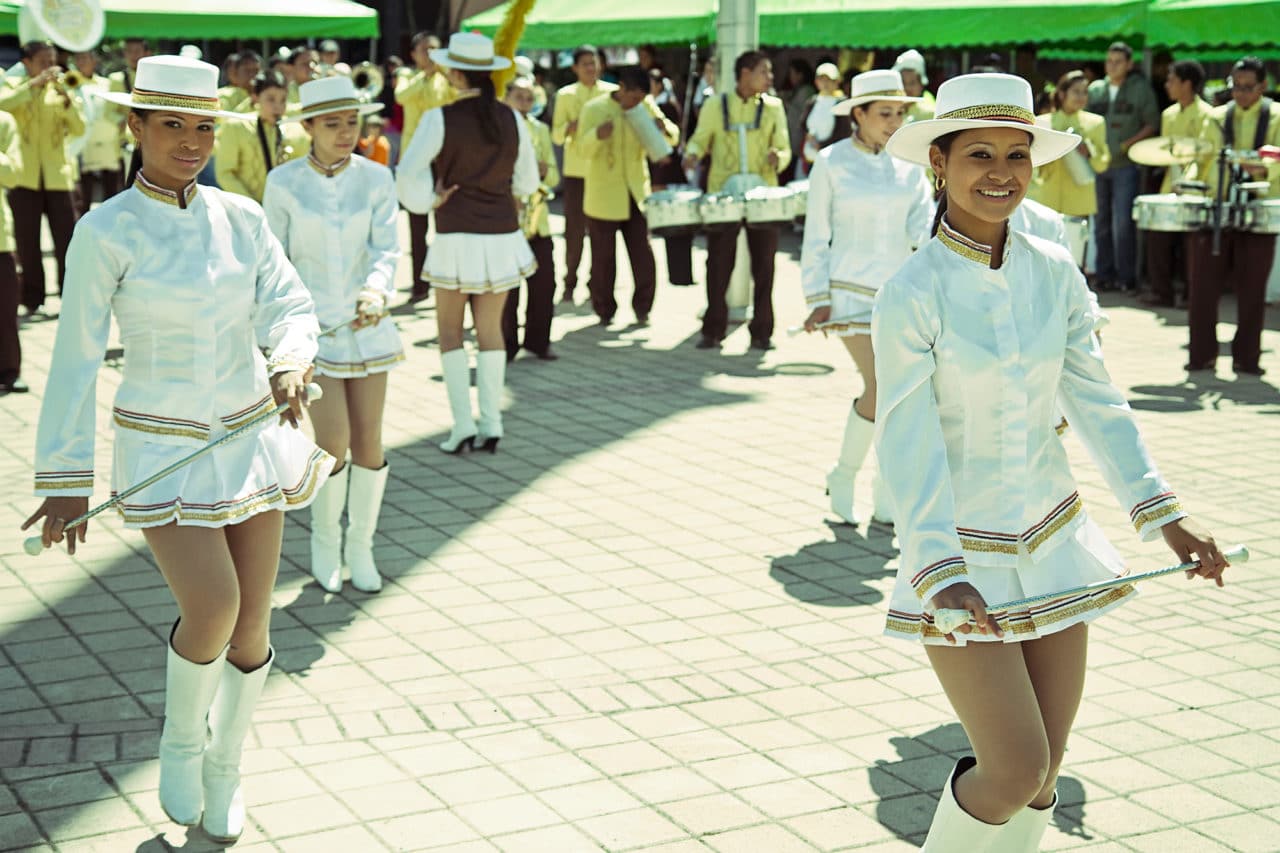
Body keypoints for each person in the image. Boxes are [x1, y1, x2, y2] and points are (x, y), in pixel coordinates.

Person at [876, 72, 1227, 851]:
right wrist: (937, 565)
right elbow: (908, 439)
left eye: (1016, 154)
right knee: (1010, 768)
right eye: (977, 154)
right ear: (938, 163)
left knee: (1047, 772)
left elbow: (1099, 403)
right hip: (960, 558)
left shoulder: (1054, 269)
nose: (1000, 171)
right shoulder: (912, 288)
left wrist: (1167, 518)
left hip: (1054, 539)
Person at [23, 55, 333, 845]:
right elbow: (76, 354)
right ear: (135, 127)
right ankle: (180, 743)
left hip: (249, 437)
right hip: (162, 446)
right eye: (172, 125)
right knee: (215, 606)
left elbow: (289, 303)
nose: (191, 141)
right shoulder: (104, 230)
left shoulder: (243, 216)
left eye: (203, 126)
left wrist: (291, 359)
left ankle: (227, 766)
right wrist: (65, 476)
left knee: (255, 623)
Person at [264, 75, 401, 594]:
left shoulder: (376, 178)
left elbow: (387, 247)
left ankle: (361, 547)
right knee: (333, 441)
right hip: (311, 332)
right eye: (332, 123)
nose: (346, 132)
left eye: (352, 122)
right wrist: (282, 329)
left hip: (366, 326)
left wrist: (376, 292)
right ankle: (324, 542)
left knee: (370, 442)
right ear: (308, 127)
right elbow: (273, 261)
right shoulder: (283, 183)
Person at [800, 70, 932, 527]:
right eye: (884, 113)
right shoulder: (832, 162)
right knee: (883, 387)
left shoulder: (912, 166)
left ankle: (872, 490)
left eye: (899, 112)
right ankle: (851, 478)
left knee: (899, 394)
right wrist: (817, 297)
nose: (895, 121)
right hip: (848, 294)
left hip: (898, 296)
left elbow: (922, 231)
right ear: (858, 114)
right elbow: (815, 235)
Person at [397, 33, 539, 454]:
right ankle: (491, 423)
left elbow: (408, 173)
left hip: (457, 234)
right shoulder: (512, 117)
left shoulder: (440, 118)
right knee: (491, 332)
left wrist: (430, 198)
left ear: (456, 73)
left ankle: (462, 425)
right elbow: (529, 182)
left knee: (450, 333)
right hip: (501, 235)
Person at [682, 50, 791, 351]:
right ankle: (712, 329)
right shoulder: (715, 105)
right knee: (718, 264)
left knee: (765, 267)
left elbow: (783, 146)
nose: (770, 78)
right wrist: (692, 153)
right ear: (744, 73)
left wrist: (777, 158)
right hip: (723, 196)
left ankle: (762, 332)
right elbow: (701, 137)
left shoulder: (773, 107)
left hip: (762, 197)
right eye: (763, 72)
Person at [1184, 56, 1279, 376]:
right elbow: (1203, 157)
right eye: (1235, 86)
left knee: (1253, 289)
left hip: (1258, 209)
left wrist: (1264, 168)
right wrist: (1189, 183)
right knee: (1202, 288)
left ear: (1264, 87)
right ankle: (1201, 356)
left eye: (1248, 88)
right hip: (1216, 207)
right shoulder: (1216, 116)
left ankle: (1247, 358)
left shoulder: (1277, 116)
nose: (1239, 93)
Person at [578, 66, 678, 327]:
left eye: (641, 98)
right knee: (603, 258)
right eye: (633, 97)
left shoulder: (645, 105)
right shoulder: (594, 109)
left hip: (636, 193)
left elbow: (672, 138)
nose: (637, 103)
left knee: (642, 254)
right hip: (603, 195)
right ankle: (604, 310)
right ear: (621, 88)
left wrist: (663, 127)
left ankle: (643, 307)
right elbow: (581, 149)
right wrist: (597, 136)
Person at [0, 41, 84, 314]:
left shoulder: (61, 92)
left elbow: (80, 128)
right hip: (25, 177)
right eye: (43, 61)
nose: (50, 67)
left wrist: (68, 100)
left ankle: (69, 294)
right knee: (27, 241)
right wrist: (33, 85)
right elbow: (4, 105)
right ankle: (33, 298)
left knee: (66, 239)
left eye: (52, 60)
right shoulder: (15, 88)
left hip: (58, 177)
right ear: (27, 62)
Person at [1140, 60, 1213, 308]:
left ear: (1187, 84)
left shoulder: (1208, 115)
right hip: (1170, 184)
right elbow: (1166, 151)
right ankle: (1162, 292)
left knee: (1192, 245)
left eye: (1172, 80)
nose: (1167, 84)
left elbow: (1203, 155)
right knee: (1158, 237)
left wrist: (1187, 182)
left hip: (1198, 188)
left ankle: (1193, 295)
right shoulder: (1168, 114)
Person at [1086, 42, 1159, 291]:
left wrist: (1129, 144)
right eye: (1109, 61)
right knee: (1101, 222)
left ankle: (1127, 277)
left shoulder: (1140, 89)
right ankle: (1105, 275)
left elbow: (1152, 123)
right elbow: (1084, 120)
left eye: (1118, 61)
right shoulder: (1095, 89)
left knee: (1123, 224)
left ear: (1129, 64)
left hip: (1126, 165)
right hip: (1098, 164)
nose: (1112, 66)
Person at [552, 45, 618, 304]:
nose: (591, 68)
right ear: (575, 68)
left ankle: (597, 284)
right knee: (574, 232)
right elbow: (556, 135)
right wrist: (573, 125)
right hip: (576, 171)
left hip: (604, 171)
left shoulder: (611, 93)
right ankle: (570, 281)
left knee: (601, 232)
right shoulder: (566, 95)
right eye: (586, 64)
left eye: (595, 63)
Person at [1028, 70, 1111, 268]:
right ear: (1062, 93)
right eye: (1076, 91)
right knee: (1044, 257)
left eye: (1085, 92)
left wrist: (1088, 151)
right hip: (1047, 197)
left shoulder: (1096, 122)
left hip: (1079, 199)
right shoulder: (1043, 122)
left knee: (1073, 258)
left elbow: (1102, 163)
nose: (1081, 97)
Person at [396, 32, 456, 303]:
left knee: (446, 222)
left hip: (443, 159)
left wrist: (441, 71)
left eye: (434, 49)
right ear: (414, 54)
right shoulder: (408, 77)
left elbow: (456, 98)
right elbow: (401, 97)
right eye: (424, 50)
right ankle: (419, 285)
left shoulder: (448, 78)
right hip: (415, 161)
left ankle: (446, 279)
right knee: (417, 225)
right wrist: (426, 76)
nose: (429, 54)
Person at [503, 77, 559, 361]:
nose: (525, 103)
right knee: (508, 287)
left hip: (539, 219)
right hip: (509, 217)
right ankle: (507, 345)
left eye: (529, 97)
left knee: (545, 283)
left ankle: (539, 342)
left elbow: (555, 175)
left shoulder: (541, 129)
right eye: (519, 97)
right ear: (507, 98)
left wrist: (544, 171)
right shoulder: (500, 127)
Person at [214, 71, 310, 204]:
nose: (278, 106)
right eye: (271, 99)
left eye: (283, 100)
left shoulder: (297, 131)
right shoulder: (236, 127)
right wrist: (252, 206)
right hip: (245, 211)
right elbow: (225, 173)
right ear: (255, 97)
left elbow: (303, 174)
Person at [71, 51, 124, 205]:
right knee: (83, 197)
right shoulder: (69, 83)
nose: (81, 62)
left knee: (111, 193)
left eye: (85, 58)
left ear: (95, 61)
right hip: (83, 146)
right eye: (78, 58)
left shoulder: (107, 84)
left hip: (108, 144)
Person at [0, 110, 23, 393]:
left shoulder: (5, 121)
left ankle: (8, 370)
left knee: (5, 308)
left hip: (0, 238)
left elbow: (14, 173)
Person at [801, 62, 845, 168]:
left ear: (837, 81)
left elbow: (843, 133)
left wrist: (821, 146)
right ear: (816, 81)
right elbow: (803, 124)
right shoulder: (813, 101)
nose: (825, 83)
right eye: (821, 79)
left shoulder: (842, 103)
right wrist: (808, 135)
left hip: (832, 161)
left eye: (829, 79)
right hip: (810, 159)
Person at [893, 50, 936, 123]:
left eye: (912, 82)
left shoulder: (931, 114)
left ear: (921, 85)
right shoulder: (891, 112)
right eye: (903, 82)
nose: (907, 87)